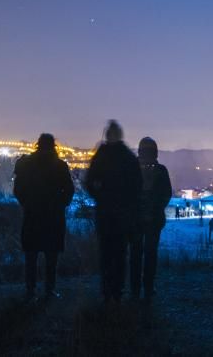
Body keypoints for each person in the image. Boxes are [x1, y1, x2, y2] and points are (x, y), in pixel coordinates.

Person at [83, 120, 141, 302]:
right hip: (122, 215)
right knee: (119, 254)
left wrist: (99, 194)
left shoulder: (101, 155)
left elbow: (89, 182)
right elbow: (137, 186)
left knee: (107, 253)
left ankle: (108, 290)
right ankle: (116, 291)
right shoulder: (128, 157)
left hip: (106, 213)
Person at [13, 133, 74, 299]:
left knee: (31, 255)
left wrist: (26, 203)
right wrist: (61, 203)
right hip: (53, 216)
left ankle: (30, 289)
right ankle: (49, 290)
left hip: (32, 214)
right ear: (54, 146)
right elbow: (69, 190)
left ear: (38, 145)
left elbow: (18, 189)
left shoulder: (27, 165)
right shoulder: (60, 166)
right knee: (51, 255)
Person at [130, 137, 172, 300]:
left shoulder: (132, 169)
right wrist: (155, 208)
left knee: (135, 255)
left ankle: (135, 289)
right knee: (149, 255)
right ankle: (148, 287)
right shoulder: (161, 170)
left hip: (137, 220)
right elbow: (166, 194)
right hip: (154, 220)